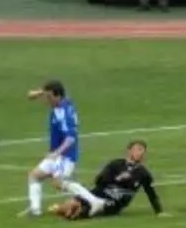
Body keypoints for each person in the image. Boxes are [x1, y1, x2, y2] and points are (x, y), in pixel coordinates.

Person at [22, 80, 104, 218]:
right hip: (57, 154)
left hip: (65, 155)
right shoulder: (63, 102)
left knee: (59, 183)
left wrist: (57, 153)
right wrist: (39, 93)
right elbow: (53, 89)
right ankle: (35, 210)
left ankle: (95, 201)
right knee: (34, 176)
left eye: (49, 97)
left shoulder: (63, 113)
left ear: (58, 97)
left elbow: (71, 138)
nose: (47, 101)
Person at [48, 140, 168, 220]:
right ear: (129, 150)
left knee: (77, 213)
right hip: (98, 193)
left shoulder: (143, 173)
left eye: (142, 150)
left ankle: (72, 207)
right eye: (138, 149)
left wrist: (159, 211)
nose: (140, 153)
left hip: (113, 203)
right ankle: (63, 207)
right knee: (70, 205)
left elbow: (151, 194)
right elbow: (99, 181)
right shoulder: (116, 164)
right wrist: (118, 178)